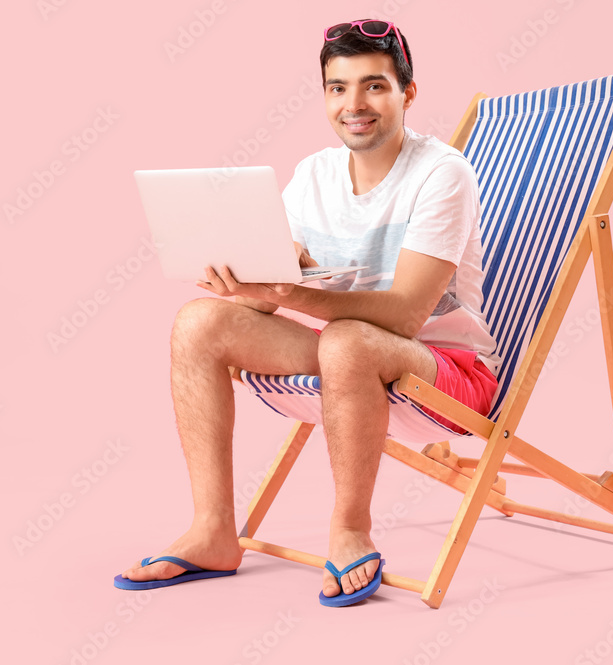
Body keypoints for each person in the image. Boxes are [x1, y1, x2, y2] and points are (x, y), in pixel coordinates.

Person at [115, 19, 499, 606]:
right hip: (347, 365)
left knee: (346, 338)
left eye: (374, 86)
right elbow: (280, 289)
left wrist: (290, 294)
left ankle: (349, 531)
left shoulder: (442, 174)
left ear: (408, 93)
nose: (354, 105)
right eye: (338, 88)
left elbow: (400, 316)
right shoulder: (313, 174)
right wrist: (246, 280)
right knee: (200, 322)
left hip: (445, 374)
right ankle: (214, 531)